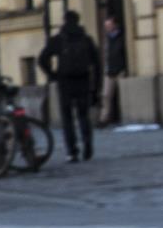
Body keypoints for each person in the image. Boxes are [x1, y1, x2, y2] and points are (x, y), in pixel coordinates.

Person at [38, 10, 103, 163]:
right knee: (83, 116)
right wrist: (96, 87)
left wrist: (53, 75)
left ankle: (72, 151)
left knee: (67, 118)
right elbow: (97, 65)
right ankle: (87, 145)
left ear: (64, 20)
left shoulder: (58, 39)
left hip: (65, 82)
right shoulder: (87, 39)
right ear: (78, 20)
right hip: (83, 81)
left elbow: (42, 59)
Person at [99, 9, 128, 127]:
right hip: (109, 71)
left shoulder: (122, 37)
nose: (107, 28)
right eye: (106, 26)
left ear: (115, 25)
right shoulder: (107, 39)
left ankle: (124, 116)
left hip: (120, 70)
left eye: (109, 25)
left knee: (123, 95)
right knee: (106, 96)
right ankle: (104, 119)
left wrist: (124, 68)